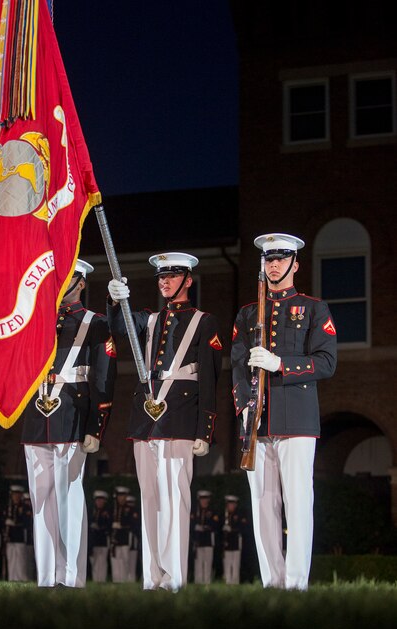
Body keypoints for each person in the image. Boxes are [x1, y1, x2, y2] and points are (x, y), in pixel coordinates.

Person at [108, 252, 222, 591]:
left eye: (172, 276)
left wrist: (206, 428)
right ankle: (152, 578)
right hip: (147, 419)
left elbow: (210, 379)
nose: (165, 282)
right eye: (161, 277)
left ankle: (174, 578)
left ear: (188, 280)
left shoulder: (204, 322)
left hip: (182, 419)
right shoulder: (150, 319)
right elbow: (120, 331)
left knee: (175, 499)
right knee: (151, 500)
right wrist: (116, 303)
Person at [231, 233, 337, 590]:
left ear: (295, 264)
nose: (273, 264)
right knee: (262, 506)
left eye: (280, 258)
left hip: (297, 418)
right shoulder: (247, 314)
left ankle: (295, 584)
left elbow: (326, 362)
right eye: (268, 259)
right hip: (257, 421)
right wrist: (245, 406)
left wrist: (280, 364)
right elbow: (236, 366)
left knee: (297, 502)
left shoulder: (312, 308)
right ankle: (272, 583)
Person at [22, 259, 117, 588]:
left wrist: (96, 426)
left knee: (69, 499)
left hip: (73, 417)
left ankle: (71, 577)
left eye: (67, 280)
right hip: (37, 417)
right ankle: (46, 578)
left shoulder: (96, 323)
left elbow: (103, 379)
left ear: (80, 283)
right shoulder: (38, 322)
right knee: (41, 501)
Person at [190, 489, 218, 585]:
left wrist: (205, 527)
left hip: (208, 542)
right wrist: (195, 527)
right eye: (202, 499)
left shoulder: (212, 512)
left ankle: (207, 584)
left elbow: (215, 525)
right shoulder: (195, 512)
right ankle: (198, 583)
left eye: (205, 499)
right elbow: (191, 524)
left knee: (207, 564)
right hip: (198, 542)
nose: (204, 501)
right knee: (198, 564)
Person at [4, 484, 29, 582]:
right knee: (11, 559)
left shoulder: (25, 507)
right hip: (10, 536)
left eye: (18, 494)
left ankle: (21, 578)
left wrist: (15, 522)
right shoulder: (9, 507)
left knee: (21, 560)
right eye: (14, 494)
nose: (16, 497)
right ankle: (12, 578)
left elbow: (26, 521)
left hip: (20, 536)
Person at [109, 485, 133, 583]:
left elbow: (132, 523)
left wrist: (121, 525)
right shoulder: (113, 509)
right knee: (115, 562)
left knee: (125, 562)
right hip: (115, 541)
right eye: (119, 496)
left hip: (125, 540)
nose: (120, 498)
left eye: (123, 496)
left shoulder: (129, 509)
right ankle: (116, 581)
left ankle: (125, 581)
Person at [221, 495, 246, 585]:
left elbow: (242, 528)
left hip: (236, 544)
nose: (230, 506)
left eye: (232, 504)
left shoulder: (239, 515)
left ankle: (235, 582)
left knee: (235, 565)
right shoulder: (225, 515)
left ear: (235, 505)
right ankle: (227, 582)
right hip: (226, 545)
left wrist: (231, 529)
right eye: (228, 504)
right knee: (227, 565)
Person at [88, 490, 111, 583]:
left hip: (103, 541)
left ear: (104, 501)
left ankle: (102, 580)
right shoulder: (92, 511)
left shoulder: (107, 513)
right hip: (93, 542)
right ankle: (95, 580)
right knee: (94, 563)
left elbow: (108, 526)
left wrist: (100, 528)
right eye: (97, 500)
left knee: (102, 563)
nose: (99, 502)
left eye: (101, 500)